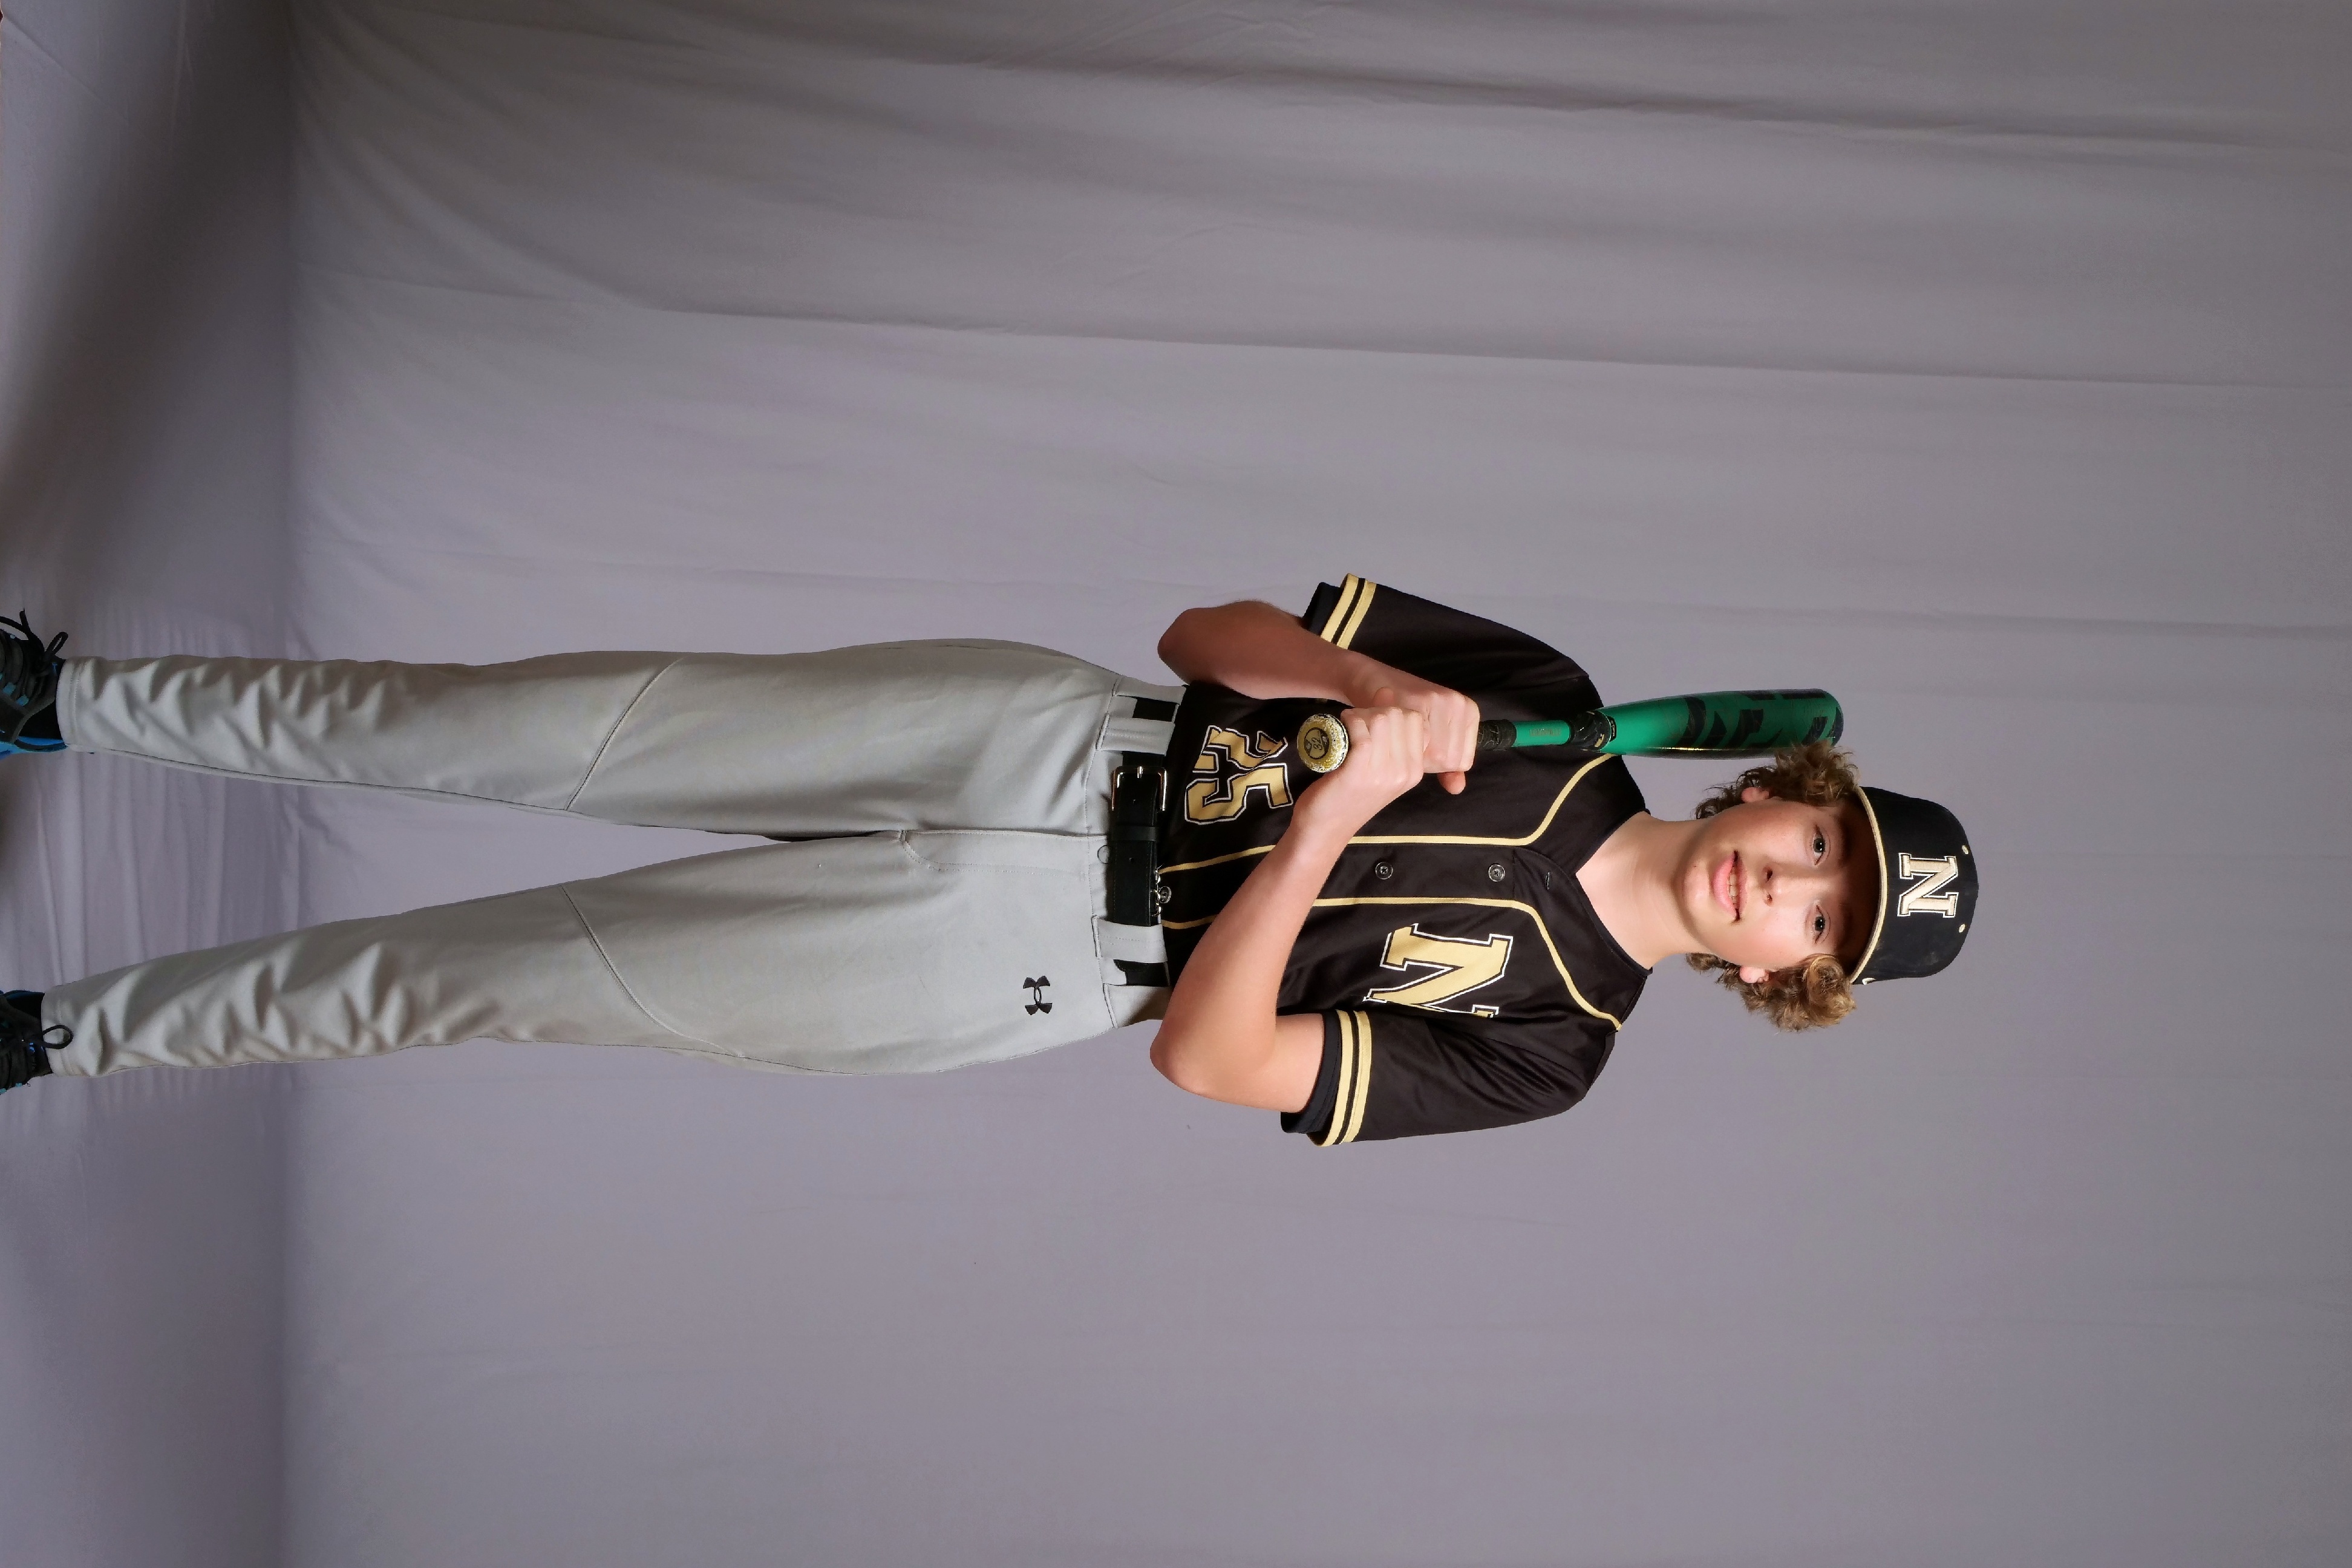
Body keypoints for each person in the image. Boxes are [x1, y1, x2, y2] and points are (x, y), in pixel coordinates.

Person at [0, 577, 1977, 1143]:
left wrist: (1330, 822)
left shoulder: (1556, 1051)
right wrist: (1371, 688)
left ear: (1781, 979)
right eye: (1819, 841)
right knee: (501, 724)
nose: (1789, 885)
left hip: (1018, 958)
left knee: (486, 977)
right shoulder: (1557, 700)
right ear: (1774, 791)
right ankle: (69, 697)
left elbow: (1210, 1056)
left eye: (1823, 920)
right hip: (1041, 736)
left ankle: (61, 1039)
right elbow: (1205, 635)